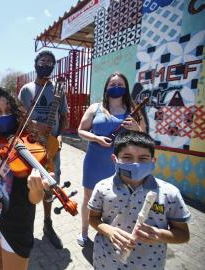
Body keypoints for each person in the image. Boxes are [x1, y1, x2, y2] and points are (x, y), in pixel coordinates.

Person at [0, 88, 50, 270]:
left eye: (9, 110)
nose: (4, 115)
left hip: (17, 224)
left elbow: (35, 199)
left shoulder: (32, 144)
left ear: (17, 112)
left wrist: (37, 189)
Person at [88, 131, 190, 269]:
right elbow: (93, 218)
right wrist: (108, 231)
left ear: (153, 161)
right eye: (127, 157)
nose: (135, 164)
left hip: (149, 264)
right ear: (114, 159)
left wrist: (160, 235)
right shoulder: (102, 187)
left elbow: (183, 234)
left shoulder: (170, 194)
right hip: (105, 261)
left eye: (143, 158)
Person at [77, 72, 146, 247]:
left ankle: (112, 232)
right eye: (112, 84)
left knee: (117, 198)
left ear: (126, 87)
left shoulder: (133, 108)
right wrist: (97, 138)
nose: (116, 87)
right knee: (88, 196)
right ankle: (84, 231)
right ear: (107, 88)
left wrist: (136, 127)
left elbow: (144, 136)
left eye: (120, 84)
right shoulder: (95, 108)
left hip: (122, 163)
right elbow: (80, 130)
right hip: (95, 159)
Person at [18, 50, 68, 249]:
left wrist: (60, 136)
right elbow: (18, 116)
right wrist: (35, 125)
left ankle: (48, 224)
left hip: (51, 148)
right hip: (30, 146)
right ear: (36, 63)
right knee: (28, 186)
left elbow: (63, 116)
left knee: (50, 186)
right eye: (42, 61)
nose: (45, 64)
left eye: (50, 62)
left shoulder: (58, 89)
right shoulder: (26, 90)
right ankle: (25, 226)